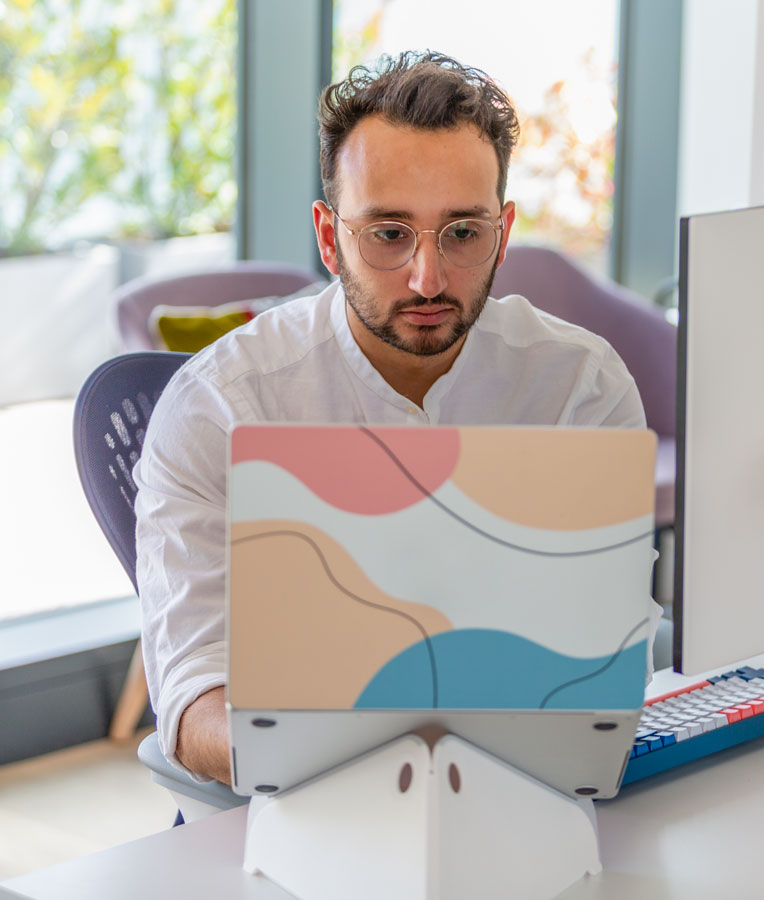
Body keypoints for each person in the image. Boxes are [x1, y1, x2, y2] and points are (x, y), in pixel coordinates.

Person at [134, 50, 656, 786]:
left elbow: (602, 659)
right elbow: (191, 709)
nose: (428, 277)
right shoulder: (221, 407)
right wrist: (353, 764)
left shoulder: (579, 386)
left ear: (502, 233)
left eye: (463, 233)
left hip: (526, 794)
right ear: (327, 237)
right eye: (388, 233)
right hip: (302, 807)